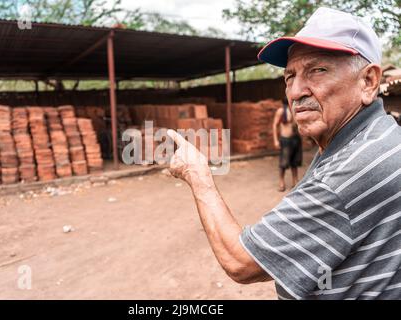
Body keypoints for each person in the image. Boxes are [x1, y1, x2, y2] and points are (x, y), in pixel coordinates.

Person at [167, 7, 401, 299]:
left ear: (368, 82)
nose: (296, 91)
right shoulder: (383, 134)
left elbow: (241, 262)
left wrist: (197, 174)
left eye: (318, 70)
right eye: (290, 76)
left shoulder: (349, 173)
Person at [273, 99, 302, 191]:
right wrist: (276, 140)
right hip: (285, 139)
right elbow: (275, 125)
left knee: (295, 161)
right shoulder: (281, 111)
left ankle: (295, 181)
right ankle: (281, 182)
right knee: (283, 162)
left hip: (295, 139)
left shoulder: (295, 110)